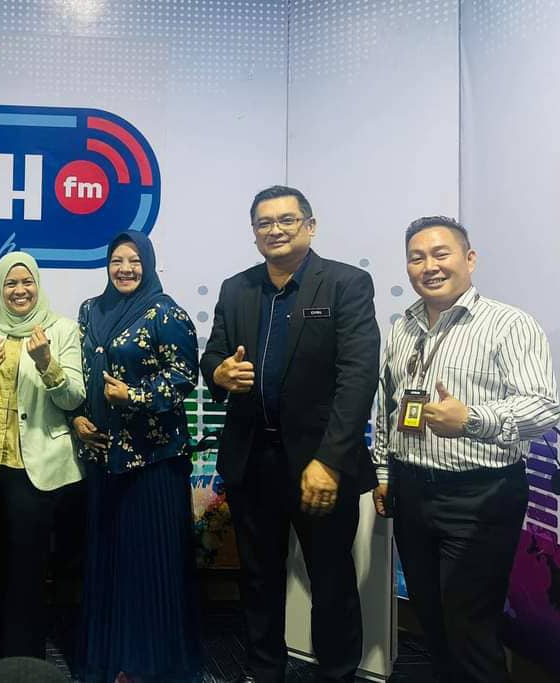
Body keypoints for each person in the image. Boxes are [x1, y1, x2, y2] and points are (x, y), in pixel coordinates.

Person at [200, 186, 379, 683]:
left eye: (286, 220)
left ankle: (337, 673)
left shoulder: (345, 283)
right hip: (252, 459)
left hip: (319, 464)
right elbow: (213, 355)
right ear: (254, 232)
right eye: (264, 223)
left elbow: (358, 377)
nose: (275, 230)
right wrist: (218, 373)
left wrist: (330, 460)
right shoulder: (237, 288)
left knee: (331, 578)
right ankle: (264, 671)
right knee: (258, 577)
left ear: (310, 226)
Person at [372, 216, 560, 683]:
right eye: (417, 258)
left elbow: (543, 406)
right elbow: (389, 404)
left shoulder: (509, 324)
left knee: (470, 628)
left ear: (469, 259)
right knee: (432, 620)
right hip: (412, 491)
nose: (429, 266)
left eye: (441, 254)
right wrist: (385, 472)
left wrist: (472, 420)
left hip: (480, 495)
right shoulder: (404, 327)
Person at [73, 230, 202, 683]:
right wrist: (77, 416)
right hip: (103, 459)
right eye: (117, 260)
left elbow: (184, 377)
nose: (125, 268)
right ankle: (109, 659)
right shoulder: (90, 310)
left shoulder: (166, 312)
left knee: (150, 563)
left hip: (153, 460)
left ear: (148, 264)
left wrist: (135, 395)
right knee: (109, 561)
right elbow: (79, 372)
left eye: (134, 260)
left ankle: (149, 664)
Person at [0, 252, 85, 672]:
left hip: (37, 467)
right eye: (11, 283)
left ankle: (23, 663)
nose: (19, 290)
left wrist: (47, 364)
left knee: (28, 568)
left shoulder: (62, 329)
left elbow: (74, 398)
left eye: (27, 282)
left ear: (38, 286)